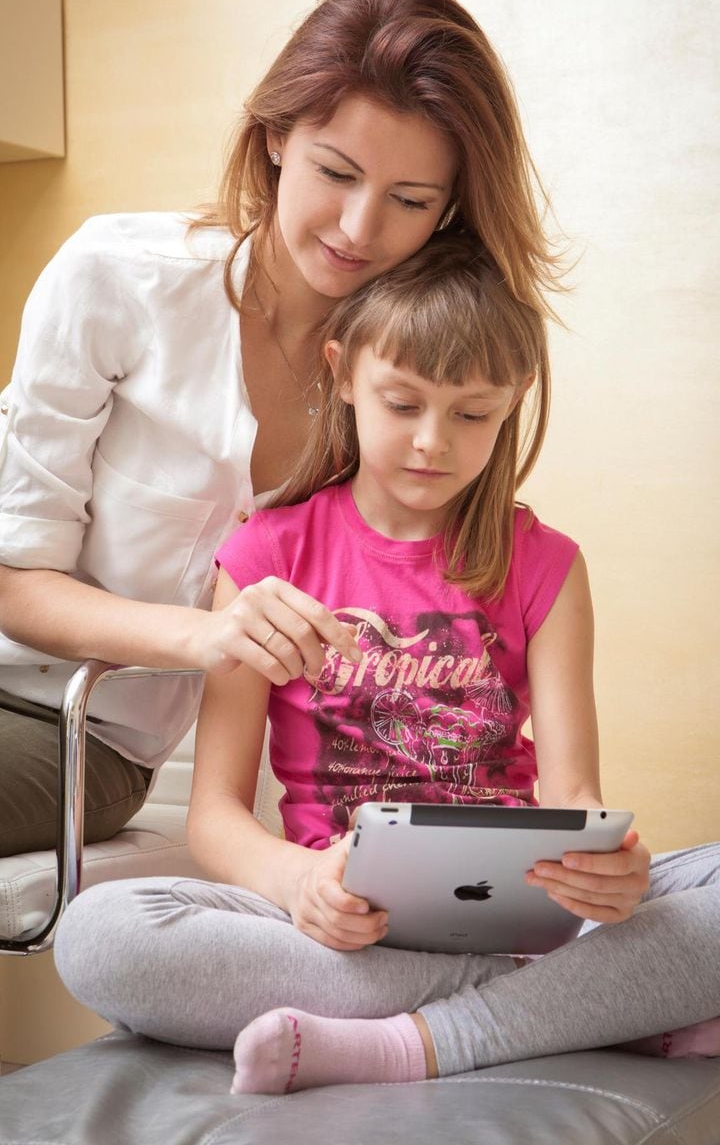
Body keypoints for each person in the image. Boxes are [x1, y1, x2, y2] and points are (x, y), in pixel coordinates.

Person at [54, 236, 720, 1094]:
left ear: (513, 402)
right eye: (402, 403)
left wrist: (610, 872)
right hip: (333, 930)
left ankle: (410, 1042)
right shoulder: (263, 556)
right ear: (342, 371)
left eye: (473, 414)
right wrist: (298, 882)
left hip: (514, 915)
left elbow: (573, 799)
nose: (431, 444)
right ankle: (587, 1011)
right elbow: (214, 817)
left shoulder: (547, 563)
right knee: (101, 934)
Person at [0, 0, 561, 856]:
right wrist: (211, 632)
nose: (357, 227)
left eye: (410, 201)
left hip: (81, 734)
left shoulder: (405, 386)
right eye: (334, 172)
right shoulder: (114, 278)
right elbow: (13, 580)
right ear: (272, 138)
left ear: (450, 210)